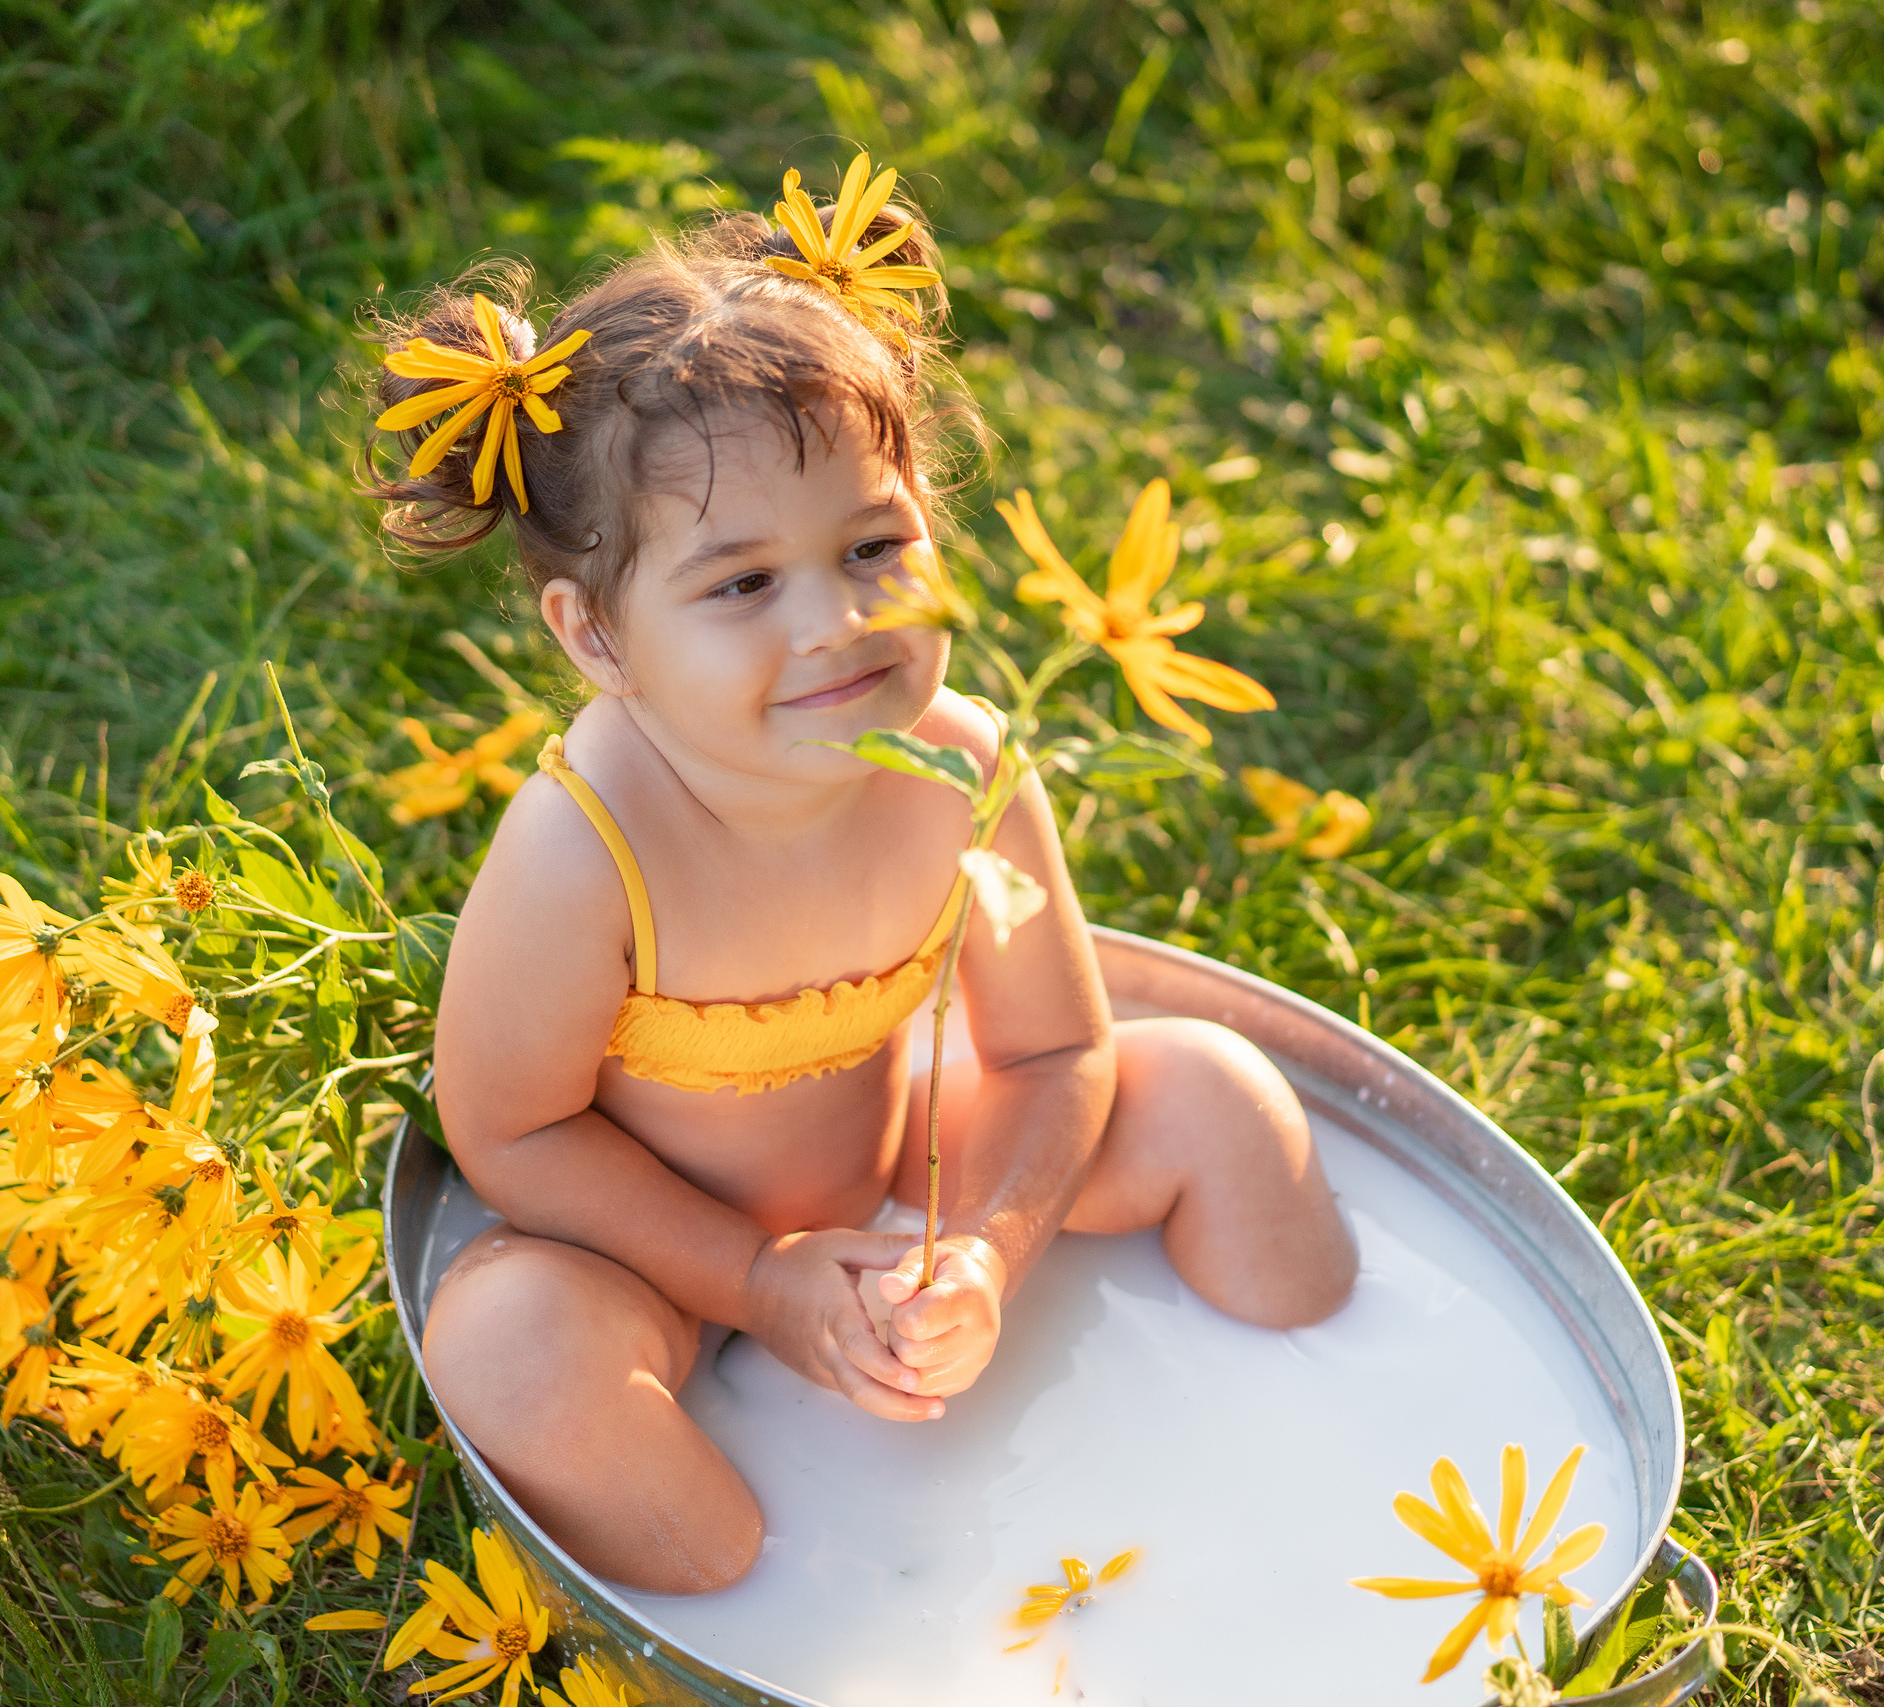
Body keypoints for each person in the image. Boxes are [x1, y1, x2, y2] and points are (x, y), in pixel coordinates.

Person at [376, 158, 1357, 1596]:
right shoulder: (586, 847)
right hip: (652, 1253)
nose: (837, 620)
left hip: (907, 1170)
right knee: (511, 1347)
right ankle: (780, 1602)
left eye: (875, 546)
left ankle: (1328, 1433)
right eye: (741, 584)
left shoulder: (961, 768)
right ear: (592, 637)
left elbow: (1056, 1047)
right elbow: (513, 1139)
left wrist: (985, 1254)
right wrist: (758, 1285)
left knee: (1214, 1091)